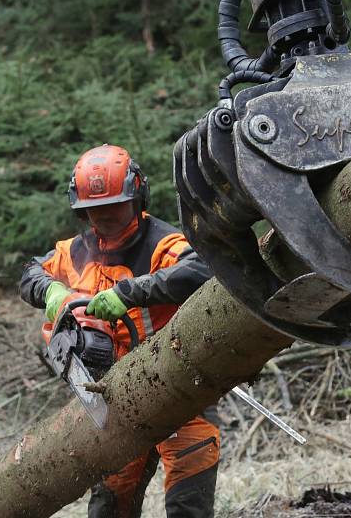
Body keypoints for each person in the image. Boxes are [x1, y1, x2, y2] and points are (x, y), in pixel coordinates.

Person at [19, 144, 219, 518]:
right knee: (109, 504)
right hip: (113, 397)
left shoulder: (164, 243)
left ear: (137, 195)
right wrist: (52, 291)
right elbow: (31, 271)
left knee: (187, 502)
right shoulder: (76, 251)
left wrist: (129, 292)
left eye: (114, 207)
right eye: (95, 210)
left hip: (176, 384)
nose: (105, 217)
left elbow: (201, 270)